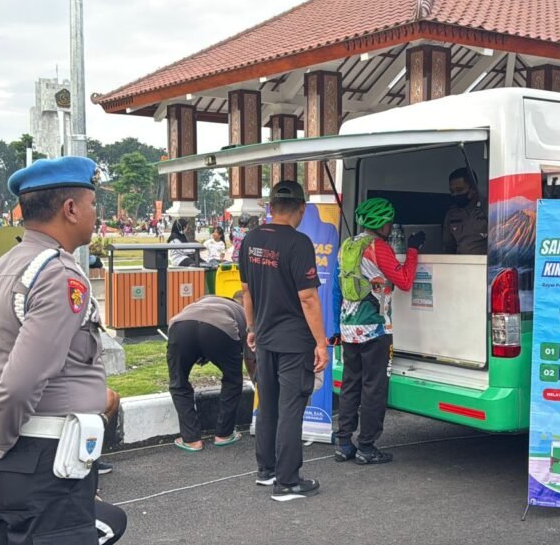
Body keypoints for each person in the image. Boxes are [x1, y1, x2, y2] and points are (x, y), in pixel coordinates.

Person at [0, 155, 126, 544]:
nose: (97, 214)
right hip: (45, 464)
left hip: (6, 463)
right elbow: (23, 380)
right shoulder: (58, 275)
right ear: (70, 209)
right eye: (93, 204)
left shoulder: (1, 270)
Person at [239, 180, 327, 502]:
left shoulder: (250, 239)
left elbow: (247, 291)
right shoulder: (299, 243)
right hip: (294, 342)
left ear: (270, 207)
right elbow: (308, 298)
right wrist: (321, 343)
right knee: (291, 408)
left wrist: (252, 326)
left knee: (268, 404)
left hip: (264, 336)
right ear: (301, 208)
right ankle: (287, 481)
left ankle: (266, 470)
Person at [335, 198, 424, 465]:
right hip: (375, 327)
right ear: (383, 224)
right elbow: (405, 281)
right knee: (374, 387)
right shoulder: (378, 247)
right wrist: (412, 250)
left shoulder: (347, 245)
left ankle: (344, 443)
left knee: (351, 384)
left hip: (349, 326)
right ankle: (367, 447)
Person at [166, 292, 253, 451]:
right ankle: (224, 434)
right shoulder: (244, 312)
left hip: (180, 326)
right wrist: (256, 380)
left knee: (178, 381)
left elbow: (197, 329)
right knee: (232, 380)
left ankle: (191, 439)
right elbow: (250, 356)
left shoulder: (202, 301)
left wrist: (201, 352)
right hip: (221, 328)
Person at [442, 167, 487, 255]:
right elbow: (448, 246)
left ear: (473, 189)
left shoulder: (488, 208)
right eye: (452, 191)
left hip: (485, 262)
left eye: (459, 190)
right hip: (460, 261)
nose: (455, 194)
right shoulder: (452, 213)